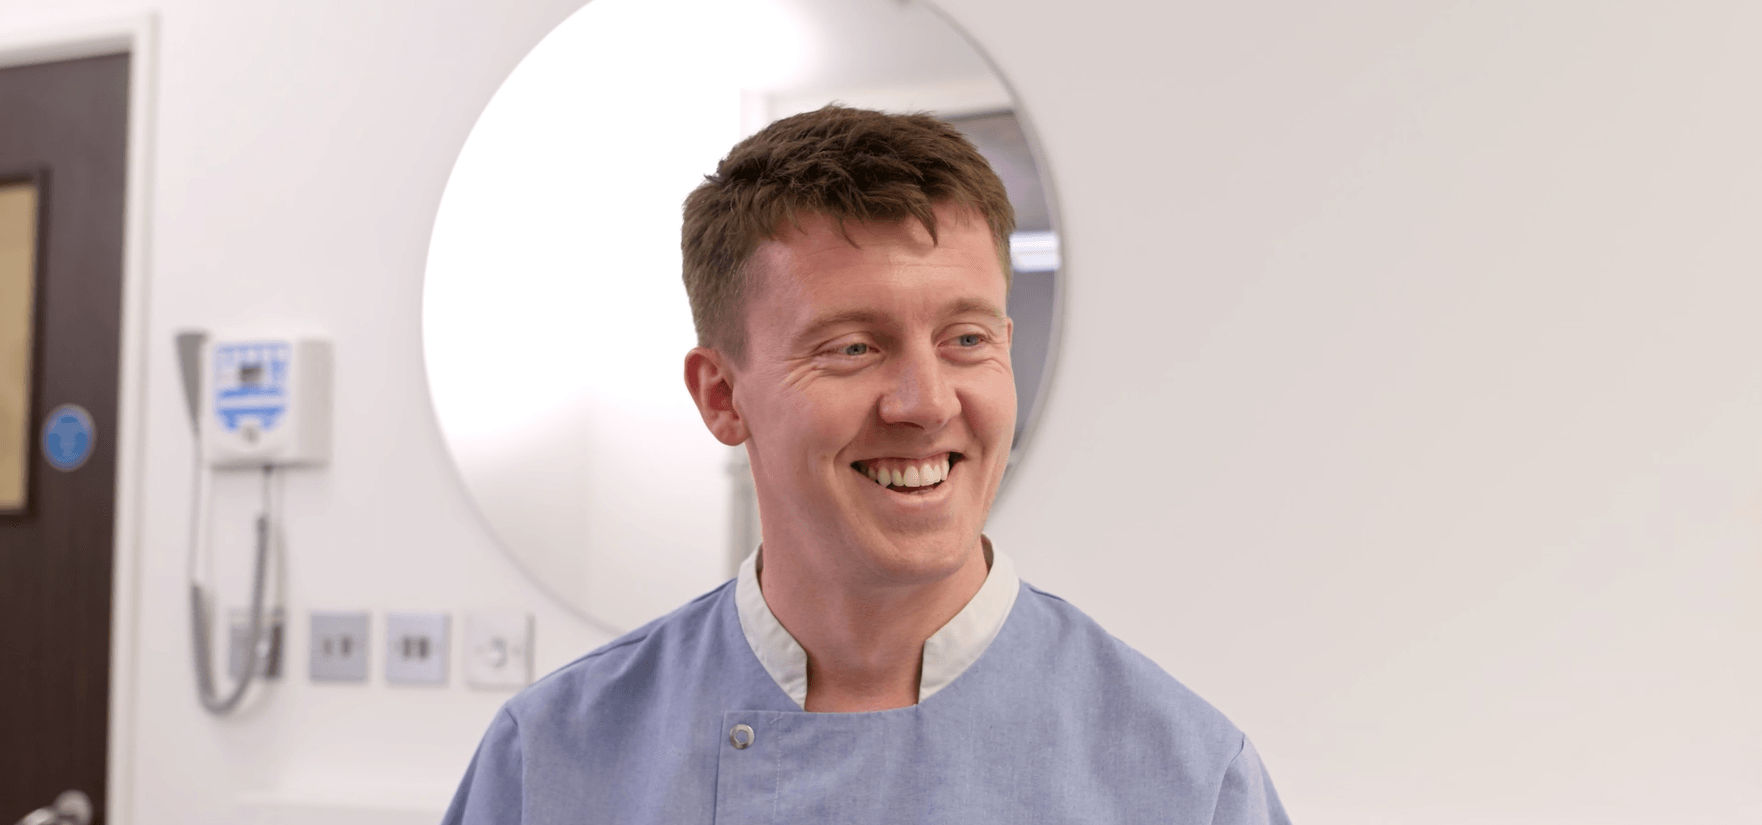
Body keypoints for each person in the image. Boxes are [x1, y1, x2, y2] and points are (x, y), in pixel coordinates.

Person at [441, 106, 1291, 824]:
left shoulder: (1188, 780)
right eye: (852, 347)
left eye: (967, 339)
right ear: (721, 397)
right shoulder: (551, 761)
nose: (925, 402)